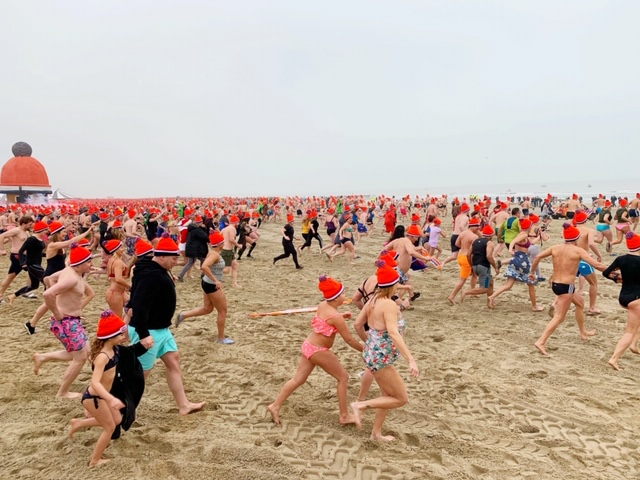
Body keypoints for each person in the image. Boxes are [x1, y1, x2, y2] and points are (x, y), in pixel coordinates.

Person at [268, 275, 363, 425]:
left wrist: (342, 315)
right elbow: (349, 339)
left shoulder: (323, 305)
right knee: (343, 378)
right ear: (337, 297)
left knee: (298, 379)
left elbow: (325, 319)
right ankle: (344, 416)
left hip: (309, 345)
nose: (345, 296)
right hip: (318, 350)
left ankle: (275, 406)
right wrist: (364, 350)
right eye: (343, 293)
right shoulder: (336, 317)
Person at [126, 234, 204, 415]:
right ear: (161, 256)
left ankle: (183, 405)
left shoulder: (154, 269)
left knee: (174, 362)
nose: (177, 261)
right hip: (149, 331)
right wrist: (143, 333)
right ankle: (112, 408)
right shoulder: (149, 274)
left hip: (162, 329)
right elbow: (138, 305)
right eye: (173, 258)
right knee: (139, 376)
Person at [350, 261, 419, 441]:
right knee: (401, 398)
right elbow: (394, 333)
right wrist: (410, 359)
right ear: (393, 285)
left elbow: (358, 324)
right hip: (381, 358)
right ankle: (360, 405)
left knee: (387, 395)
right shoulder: (388, 305)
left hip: (373, 354)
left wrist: (369, 343)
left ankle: (376, 434)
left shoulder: (372, 300)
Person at [530, 224, 607, 356]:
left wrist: (532, 272)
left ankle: (583, 332)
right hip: (566, 287)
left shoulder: (555, 248)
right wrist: (615, 273)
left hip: (555, 284)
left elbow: (537, 257)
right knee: (559, 317)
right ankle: (541, 341)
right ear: (577, 239)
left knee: (580, 303)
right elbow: (597, 265)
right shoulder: (578, 251)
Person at [33, 244, 96, 398]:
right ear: (80, 264)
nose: (91, 264)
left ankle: (42, 357)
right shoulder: (71, 278)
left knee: (85, 351)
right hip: (65, 322)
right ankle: (62, 393)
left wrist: (65, 304)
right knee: (80, 357)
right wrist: (58, 313)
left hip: (72, 320)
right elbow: (47, 294)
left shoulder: (71, 271)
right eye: (89, 262)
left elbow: (50, 278)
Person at [70, 310, 128, 466]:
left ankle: (79, 424)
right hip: (94, 398)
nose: (124, 337)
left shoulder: (114, 350)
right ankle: (95, 460)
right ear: (111, 337)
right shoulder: (103, 356)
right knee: (109, 427)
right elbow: (95, 382)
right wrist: (111, 399)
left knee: (117, 419)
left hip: (103, 396)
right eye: (121, 334)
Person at [25, 223, 94, 334]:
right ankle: (32, 323)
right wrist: (87, 232)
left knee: (56, 302)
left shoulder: (60, 246)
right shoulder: (53, 245)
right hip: (51, 276)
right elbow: (71, 242)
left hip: (59, 276)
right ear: (57, 233)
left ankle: (33, 323)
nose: (65, 234)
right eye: (63, 232)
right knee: (49, 302)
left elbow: (67, 259)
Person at [175, 232, 234, 344]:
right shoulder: (214, 254)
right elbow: (204, 266)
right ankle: (221, 338)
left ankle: (183, 315)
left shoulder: (214, 252)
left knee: (207, 309)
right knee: (222, 311)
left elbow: (212, 267)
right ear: (220, 243)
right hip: (211, 284)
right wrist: (216, 280)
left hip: (207, 282)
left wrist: (222, 272)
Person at [602, 232, 640, 370]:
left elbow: (606, 273)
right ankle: (614, 359)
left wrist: (617, 279)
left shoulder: (621, 259)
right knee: (629, 331)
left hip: (623, 297)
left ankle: (634, 345)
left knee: (636, 322)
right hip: (636, 299)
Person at [488, 218, 544, 311]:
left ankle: (492, 297)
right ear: (529, 226)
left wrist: (539, 235)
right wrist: (510, 249)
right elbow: (513, 242)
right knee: (531, 284)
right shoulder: (523, 235)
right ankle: (534, 306)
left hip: (516, 259)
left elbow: (532, 242)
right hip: (522, 261)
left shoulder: (522, 235)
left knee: (508, 285)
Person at [7, 220, 49, 305]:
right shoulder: (31, 239)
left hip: (37, 263)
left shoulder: (40, 239)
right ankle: (48, 301)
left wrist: (48, 255)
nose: (47, 231)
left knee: (34, 286)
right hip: (32, 265)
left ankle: (13, 295)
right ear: (41, 230)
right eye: (45, 230)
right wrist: (23, 263)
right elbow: (21, 251)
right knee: (47, 281)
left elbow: (37, 252)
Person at [461, 225, 501, 306]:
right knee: (484, 288)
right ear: (491, 236)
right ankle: (466, 292)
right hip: (484, 267)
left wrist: (472, 266)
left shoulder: (475, 241)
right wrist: (495, 267)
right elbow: (488, 256)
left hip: (476, 265)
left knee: (490, 283)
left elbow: (468, 255)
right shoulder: (489, 243)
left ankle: (490, 302)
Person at [447, 217, 481, 305]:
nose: (478, 228)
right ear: (472, 226)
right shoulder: (474, 236)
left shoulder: (462, 233)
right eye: (477, 226)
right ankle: (452, 296)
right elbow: (476, 249)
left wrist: (464, 247)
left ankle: (472, 292)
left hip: (461, 256)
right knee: (462, 279)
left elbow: (457, 244)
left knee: (474, 274)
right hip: (467, 258)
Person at [0, 215, 35, 302]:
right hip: (17, 256)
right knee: (11, 276)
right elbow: (2, 236)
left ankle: (27, 291)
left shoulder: (26, 232)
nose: (31, 226)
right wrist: (2, 249)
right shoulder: (16, 230)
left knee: (32, 272)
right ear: (23, 224)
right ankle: (0, 294)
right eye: (30, 224)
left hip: (25, 257)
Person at [177, 216, 209, 282]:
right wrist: (205, 229)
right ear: (199, 223)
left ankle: (203, 274)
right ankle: (180, 276)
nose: (202, 223)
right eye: (201, 222)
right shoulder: (197, 230)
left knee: (204, 260)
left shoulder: (192, 229)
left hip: (194, 249)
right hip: (195, 250)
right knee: (190, 263)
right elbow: (205, 237)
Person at [105, 239, 130, 319]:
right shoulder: (118, 262)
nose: (123, 250)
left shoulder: (111, 260)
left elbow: (108, 277)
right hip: (115, 293)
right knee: (116, 319)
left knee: (133, 308)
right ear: (116, 250)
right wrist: (129, 287)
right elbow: (118, 279)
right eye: (121, 248)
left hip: (118, 292)